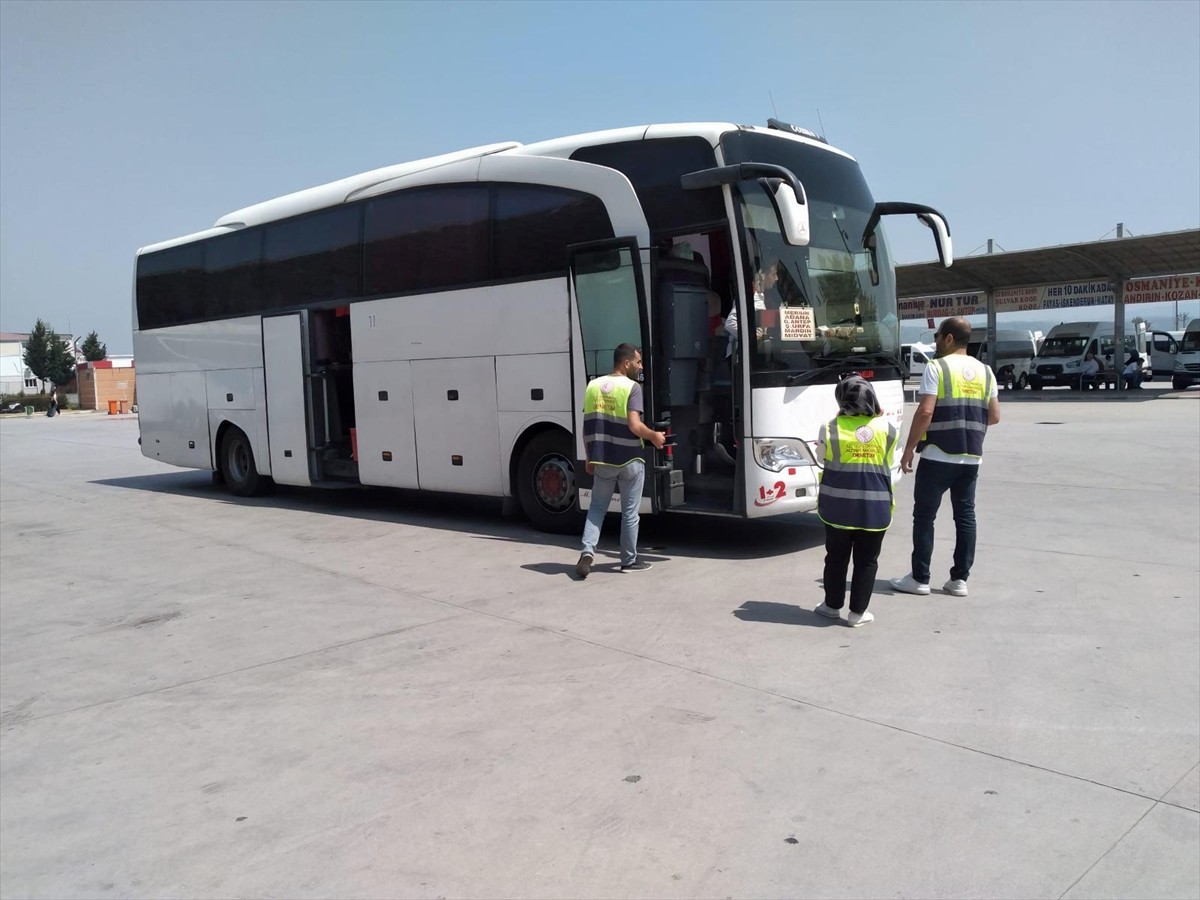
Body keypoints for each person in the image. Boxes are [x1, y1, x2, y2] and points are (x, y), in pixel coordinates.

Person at [890, 317, 1001, 598]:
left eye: (938, 336)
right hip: (971, 458)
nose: (935, 341)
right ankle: (959, 579)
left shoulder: (936, 367)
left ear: (949, 338)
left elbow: (925, 412)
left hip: (938, 455)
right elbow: (995, 416)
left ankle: (920, 578)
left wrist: (908, 450)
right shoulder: (986, 371)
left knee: (925, 517)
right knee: (965, 517)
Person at [813, 375, 897, 627]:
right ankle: (858, 614)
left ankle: (831, 606)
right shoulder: (888, 428)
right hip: (874, 507)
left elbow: (822, 458)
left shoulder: (829, 428)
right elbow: (889, 461)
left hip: (838, 507)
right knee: (867, 560)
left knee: (836, 558)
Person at [575, 344, 666, 578]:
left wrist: (589, 457)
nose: (640, 366)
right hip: (629, 459)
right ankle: (628, 560)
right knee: (629, 512)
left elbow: (587, 427)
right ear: (626, 363)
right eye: (638, 362)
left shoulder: (593, 386)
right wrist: (654, 436)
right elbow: (635, 426)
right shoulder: (632, 388)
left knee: (596, 508)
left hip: (602, 459)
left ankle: (587, 551)